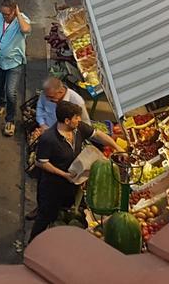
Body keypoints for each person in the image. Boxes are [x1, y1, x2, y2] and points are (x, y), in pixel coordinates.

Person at [30, 101, 122, 240]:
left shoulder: (78, 129)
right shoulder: (49, 138)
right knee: (45, 216)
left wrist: (117, 148)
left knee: (64, 215)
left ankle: (55, 240)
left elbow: (98, 135)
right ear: (67, 121)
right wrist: (64, 174)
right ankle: (33, 243)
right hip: (52, 188)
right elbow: (41, 162)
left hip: (71, 185)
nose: (79, 119)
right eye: (76, 117)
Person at [0, 0, 30, 136]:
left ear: (14, 12)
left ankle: (10, 120)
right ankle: (1, 104)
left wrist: (18, 15)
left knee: (11, 92)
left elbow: (26, 29)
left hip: (14, 63)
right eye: (3, 13)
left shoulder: (21, 21)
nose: (4, 16)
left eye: (7, 14)